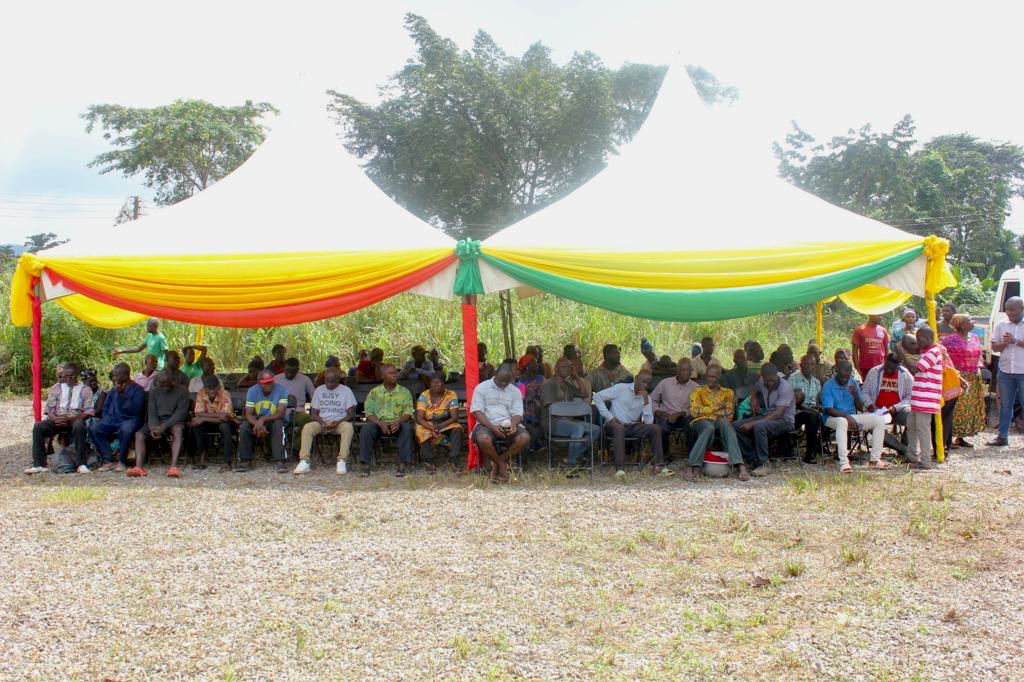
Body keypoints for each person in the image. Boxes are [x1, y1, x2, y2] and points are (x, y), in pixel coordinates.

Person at [595, 368, 671, 478]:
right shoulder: (621, 388)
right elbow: (597, 396)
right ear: (636, 378)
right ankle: (619, 469)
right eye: (642, 381)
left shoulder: (647, 398)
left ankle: (659, 465)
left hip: (632, 426)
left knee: (655, 428)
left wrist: (645, 403)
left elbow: (649, 422)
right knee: (619, 428)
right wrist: (609, 416)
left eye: (647, 383)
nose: (644, 385)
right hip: (614, 425)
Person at [820, 360, 889, 473]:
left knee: (879, 420)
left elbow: (861, 407)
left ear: (850, 374)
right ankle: (844, 462)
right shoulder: (829, 385)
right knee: (842, 421)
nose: (844, 380)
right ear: (836, 372)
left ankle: (875, 460)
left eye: (847, 377)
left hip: (850, 417)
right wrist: (847, 416)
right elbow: (828, 409)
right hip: (831, 418)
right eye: (842, 377)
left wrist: (856, 394)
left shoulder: (852, 383)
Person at [26, 363, 94, 475]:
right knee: (38, 426)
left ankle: (81, 464)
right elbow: (49, 409)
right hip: (57, 419)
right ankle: (39, 464)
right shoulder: (56, 388)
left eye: (71, 376)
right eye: (65, 376)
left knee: (79, 425)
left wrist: (71, 419)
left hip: (74, 420)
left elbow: (89, 411)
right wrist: (55, 419)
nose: (68, 379)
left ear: (76, 375)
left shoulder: (85, 389)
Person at [470, 360, 530, 483]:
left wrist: (513, 425)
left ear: (511, 378)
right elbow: (477, 412)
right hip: (486, 424)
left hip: (508, 423)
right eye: (501, 381)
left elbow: (518, 413)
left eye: (506, 382)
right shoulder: (482, 388)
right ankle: (502, 466)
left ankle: (498, 463)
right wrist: (493, 427)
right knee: (483, 439)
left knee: (524, 437)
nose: (503, 384)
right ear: (495, 373)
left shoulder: (515, 391)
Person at [686, 365, 748, 481]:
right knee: (708, 428)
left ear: (719, 377)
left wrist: (706, 410)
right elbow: (694, 412)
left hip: (720, 421)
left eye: (713, 377)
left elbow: (729, 414)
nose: (710, 379)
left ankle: (740, 464)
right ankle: (692, 465)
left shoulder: (728, 393)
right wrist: (717, 407)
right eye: (708, 376)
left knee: (727, 426)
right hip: (700, 422)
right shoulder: (697, 391)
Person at [540, 357, 599, 475]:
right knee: (578, 428)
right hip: (552, 421)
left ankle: (569, 458)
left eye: (568, 367)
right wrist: (566, 418)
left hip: (569, 421)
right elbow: (550, 407)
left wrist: (576, 375)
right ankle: (571, 462)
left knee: (596, 429)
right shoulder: (548, 385)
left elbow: (584, 394)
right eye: (563, 367)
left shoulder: (567, 385)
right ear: (556, 369)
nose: (567, 369)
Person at [733, 363, 795, 476]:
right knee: (736, 425)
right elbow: (756, 388)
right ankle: (752, 459)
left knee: (759, 426)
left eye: (771, 380)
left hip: (784, 420)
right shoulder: (762, 380)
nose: (769, 384)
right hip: (768, 415)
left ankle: (764, 464)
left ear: (776, 375)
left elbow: (778, 414)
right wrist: (753, 397)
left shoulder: (785, 387)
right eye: (767, 381)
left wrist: (752, 423)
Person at [295, 367, 357, 475]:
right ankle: (304, 461)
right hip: (322, 422)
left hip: (339, 422)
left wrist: (337, 422)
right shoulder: (319, 390)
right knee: (307, 427)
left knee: (348, 427)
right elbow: (314, 413)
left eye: (332, 382)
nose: (328, 384)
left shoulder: (346, 391)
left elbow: (351, 413)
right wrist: (321, 422)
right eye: (326, 381)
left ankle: (342, 460)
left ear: (338, 380)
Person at [129, 369, 189, 478]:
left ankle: (173, 466)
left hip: (175, 421)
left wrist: (164, 427)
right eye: (161, 385)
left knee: (178, 430)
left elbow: (181, 413)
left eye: (166, 384)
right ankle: (139, 467)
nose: (164, 387)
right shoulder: (154, 392)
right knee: (139, 434)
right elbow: (152, 412)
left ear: (173, 381)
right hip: (158, 421)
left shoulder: (183, 391)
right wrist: (153, 428)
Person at [898, 326, 943, 468]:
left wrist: (903, 356)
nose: (917, 342)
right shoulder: (927, 352)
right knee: (911, 426)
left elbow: (914, 369)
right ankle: (912, 455)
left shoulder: (932, 353)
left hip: (926, 399)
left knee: (922, 429)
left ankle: (925, 461)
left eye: (919, 339)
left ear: (928, 338)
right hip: (919, 398)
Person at [359, 364, 415, 477]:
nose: (395, 375)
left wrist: (399, 422)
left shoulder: (404, 392)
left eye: (396, 372)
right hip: (379, 424)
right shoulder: (374, 392)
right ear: (382, 376)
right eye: (391, 373)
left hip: (398, 423)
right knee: (366, 429)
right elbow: (369, 413)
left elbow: (408, 412)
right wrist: (380, 423)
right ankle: (365, 464)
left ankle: (403, 464)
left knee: (407, 427)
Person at [91, 363, 145, 472]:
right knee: (94, 428)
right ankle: (108, 460)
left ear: (125, 375)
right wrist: (106, 418)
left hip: (131, 419)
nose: (114, 378)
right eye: (113, 376)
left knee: (126, 429)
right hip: (113, 419)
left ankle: (122, 461)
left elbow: (134, 410)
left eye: (116, 375)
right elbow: (106, 406)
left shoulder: (138, 390)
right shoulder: (114, 389)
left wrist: (122, 395)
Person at [941, 313, 984, 448]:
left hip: (973, 375)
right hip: (958, 377)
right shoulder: (949, 340)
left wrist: (979, 366)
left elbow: (979, 354)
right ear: (961, 324)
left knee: (968, 408)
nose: (973, 321)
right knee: (957, 407)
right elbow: (944, 357)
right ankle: (949, 437)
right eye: (969, 319)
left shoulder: (975, 338)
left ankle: (961, 437)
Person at [237, 369, 290, 473]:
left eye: (270, 382)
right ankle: (245, 460)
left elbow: (280, 413)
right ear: (258, 383)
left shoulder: (282, 390)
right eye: (265, 383)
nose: (268, 385)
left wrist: (263, 419)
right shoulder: (252, 390)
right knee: (244, 427)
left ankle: (280, 460)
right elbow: (249, 413)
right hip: (256, 420)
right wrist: (258, 424)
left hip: (274, 418)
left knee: (278, 425)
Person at [862, 353, 913, 458]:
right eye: (887, 367)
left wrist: (896, 407)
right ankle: (902, 449)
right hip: (877, 411)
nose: (889, 370)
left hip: (897, 410)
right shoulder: (874, 372)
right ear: (885, 361)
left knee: (913, 416)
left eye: (892, 369)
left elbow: (910, 396)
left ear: (898, 366)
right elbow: (865, 392)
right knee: (871, 424)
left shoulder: (906, 374)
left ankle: (905, 444)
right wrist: (870, 404)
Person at [990, 296, 1024, 447]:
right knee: (1005, 404)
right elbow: (994, 347)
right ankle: (1002, 436)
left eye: (1013, 310)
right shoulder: (1002, 324)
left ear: (1022, 309)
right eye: (1007, 310)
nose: (1009, 313)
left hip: (1022, 371)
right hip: (1005, 370)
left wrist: (1015, 341)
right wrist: (1003, 343)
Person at [650, 357, 697, 460]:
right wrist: (658, 412)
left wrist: (681, 413)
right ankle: (664, 455)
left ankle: (693, 457)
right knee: (660, 428)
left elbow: (697, 408)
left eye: (689, 370)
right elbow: (652, 400)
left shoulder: (696, 388)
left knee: (693, 427)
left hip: (685, 416)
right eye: (684, 370)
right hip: (667, 415)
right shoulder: (665, 383)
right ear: (677, 370)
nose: (687, 372)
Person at [414, 373, 463, 472]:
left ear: (444, 384)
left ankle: (453, 461)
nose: (436, 385)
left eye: (439, 382)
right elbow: (420, 418)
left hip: (446, 423)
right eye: (433, 383)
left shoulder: (451, 394)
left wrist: (440, 426)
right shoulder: (424, 395)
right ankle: (430, 461)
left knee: (457, 429)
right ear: (429, 384)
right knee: (420, 431)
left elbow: (454, 417)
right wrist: (432, 428)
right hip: (428, 423)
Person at [192, 374, 237, 471]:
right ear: (204, 388)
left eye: (214, 388)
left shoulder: (225, 393)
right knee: (197, 426)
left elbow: (225, 417)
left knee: (224, 427)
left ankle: (227, 462)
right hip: (213, 422)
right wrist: (217, 415)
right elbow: (198, 414)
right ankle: (202, 458)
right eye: (209, 388)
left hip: (229, 422)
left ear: (219, 387)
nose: (211, 390)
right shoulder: (201, 393)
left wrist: (204, 418)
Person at [274, 357, 315, 448]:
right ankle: (272, 450)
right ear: (284, 368)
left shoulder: (305, 379)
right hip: (279, 411)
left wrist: (315, 411)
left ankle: (296, 447)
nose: (289, 374)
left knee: (306, 420)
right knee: (268, 419)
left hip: (297, 411)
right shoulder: (276, 379)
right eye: (287, 371)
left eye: (292, 372)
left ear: (298, 370)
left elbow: (314, 397)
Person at [788, 354, 822, 461]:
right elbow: (791, 402)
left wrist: (818, 408)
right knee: (812, 416)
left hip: (813, 411)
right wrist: (811, 410)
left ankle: (819, 446)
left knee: (823, 415)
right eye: (806, 364)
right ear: (801, 365)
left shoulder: (816, 382)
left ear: (814, 366)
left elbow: (817, 402)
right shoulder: (793, 379)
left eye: (811, 365)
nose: (808, 367)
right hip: (796, 412)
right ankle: (810, 454)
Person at [851, 314, 889, 381]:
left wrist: (886, 366)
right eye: (878, 315)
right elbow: (854, 352)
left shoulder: (883, 331)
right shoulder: (859, 330)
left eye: (882, 315)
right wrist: (857, 370)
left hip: (880, 367)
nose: (880, 317)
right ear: (870, 314)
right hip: (864, 367)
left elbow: (886, 350)